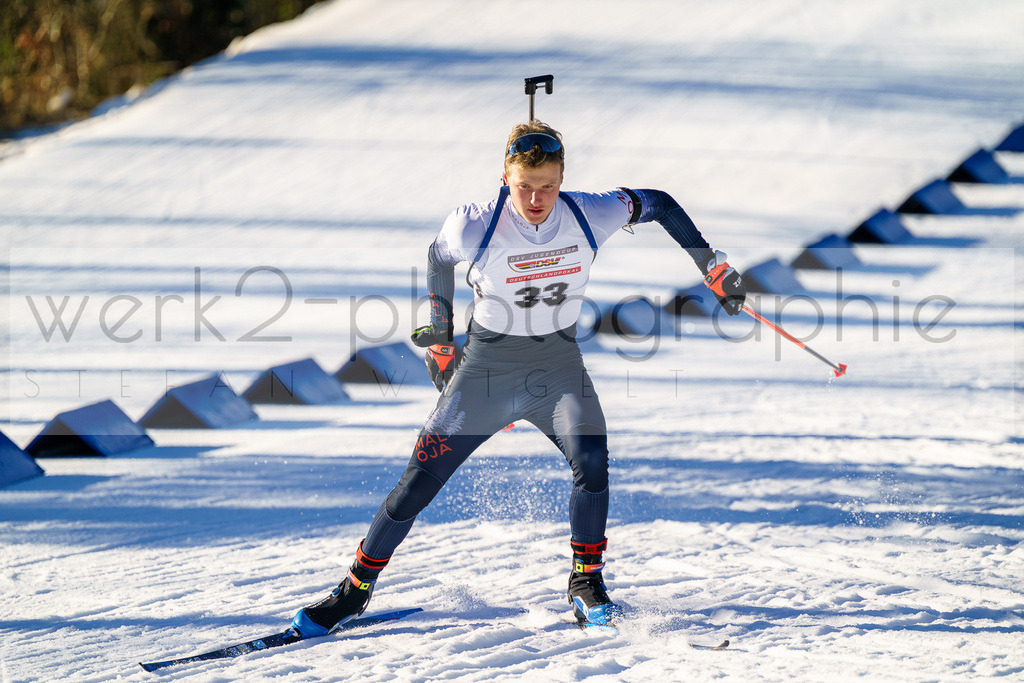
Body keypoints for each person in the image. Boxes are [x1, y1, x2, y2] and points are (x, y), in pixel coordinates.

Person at [290, 120, 746, 633]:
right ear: (505, 177)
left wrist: (711, 266)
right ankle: (353, 592)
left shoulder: (589, 212)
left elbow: (658, 202)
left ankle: (586, 580)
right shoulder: (474, 225)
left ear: (563, 178)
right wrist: (442, 338)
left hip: (557, 368)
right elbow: (438, 257)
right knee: (417, 484)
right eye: (524, 187)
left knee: (592, 459)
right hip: (486, 372)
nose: (536, 199)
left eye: (548, 186)